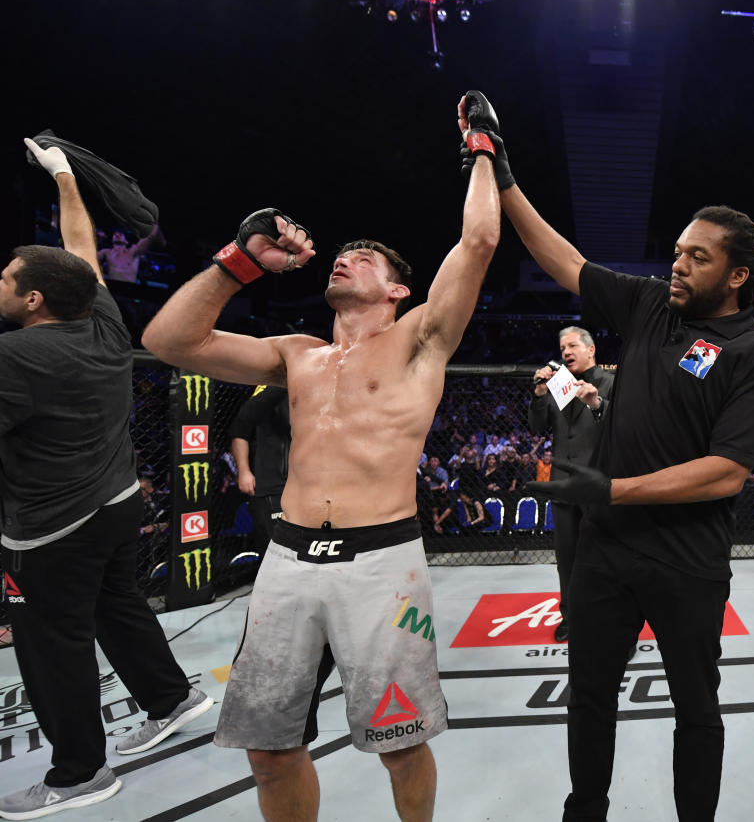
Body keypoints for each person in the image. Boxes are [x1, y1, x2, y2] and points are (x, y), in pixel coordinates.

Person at [141, 93, 500, 821]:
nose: (346, 258)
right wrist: (237, 263)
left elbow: (480, 243)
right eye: (341, 255)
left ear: (397, 289)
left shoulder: (421, 339)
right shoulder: (296, 356)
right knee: (269, 752)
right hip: (287, 558)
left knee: (400, 744)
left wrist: (484, 151)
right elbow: (169, 342)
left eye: (363, 259)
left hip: (381, 562)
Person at [473, 103, 754, 820]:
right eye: (677, 251)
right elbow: (563, 259)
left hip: (687, 557)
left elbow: (728, 470)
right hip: (607, 554)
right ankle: (585, 810)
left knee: (695, 707)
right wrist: (505, 174)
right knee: (588, 694)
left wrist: (612, 487)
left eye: (698, 257)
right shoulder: (651, 306)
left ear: (737, 276)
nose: (678, 264)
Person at [0, 139, 211, 820]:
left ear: (32, 300)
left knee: (52, 642)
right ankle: (172, 698)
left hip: (52, 528)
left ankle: (79, 772)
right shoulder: (104, 319)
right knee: (116, 606)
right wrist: (64, 175)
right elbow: (79, 247)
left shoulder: (17, 355)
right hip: (118, 503)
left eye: (5, 278)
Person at [527, 327, 615, 643]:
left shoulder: (611, 383)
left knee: (608, 559)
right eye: (562, 346)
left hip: (600, 486)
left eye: (573, 345)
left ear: (590, 349)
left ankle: (614, 624)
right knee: (567, 559)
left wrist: (595, 403)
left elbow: (622, 430)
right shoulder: (559, 384)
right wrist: (539, 396)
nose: (566, 351)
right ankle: (571, 619)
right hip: (564, 487)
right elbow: (538, 428)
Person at [229, 385, 291, 546]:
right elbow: (240, 428)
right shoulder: (276, 386)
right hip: (276, 483)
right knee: (279, 548)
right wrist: (244, 471)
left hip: (308, 484)